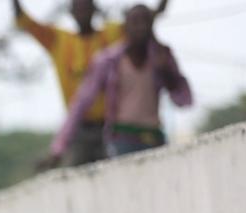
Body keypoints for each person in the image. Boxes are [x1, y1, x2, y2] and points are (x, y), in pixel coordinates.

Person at [15, 0, 170, 166]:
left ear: (95, 9)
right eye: (79, 8)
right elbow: (27, 23)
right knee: (74, 171)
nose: (83, 12)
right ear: (71, 12)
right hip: (79, 128)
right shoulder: (59, 40)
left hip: (110, 126)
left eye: (86, 6)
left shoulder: (110, 35)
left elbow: (141, 22)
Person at [49, 4, 192, 162]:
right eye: (135, 22)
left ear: (151, 26)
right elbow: (81, 102)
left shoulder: (161, 56)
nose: (141, 28)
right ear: (125, 27)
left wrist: (167, 72)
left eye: (145, 22)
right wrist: (59, 147)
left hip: (153, 136)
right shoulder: (109, 60)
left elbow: (184, 100)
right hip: (122, 139)